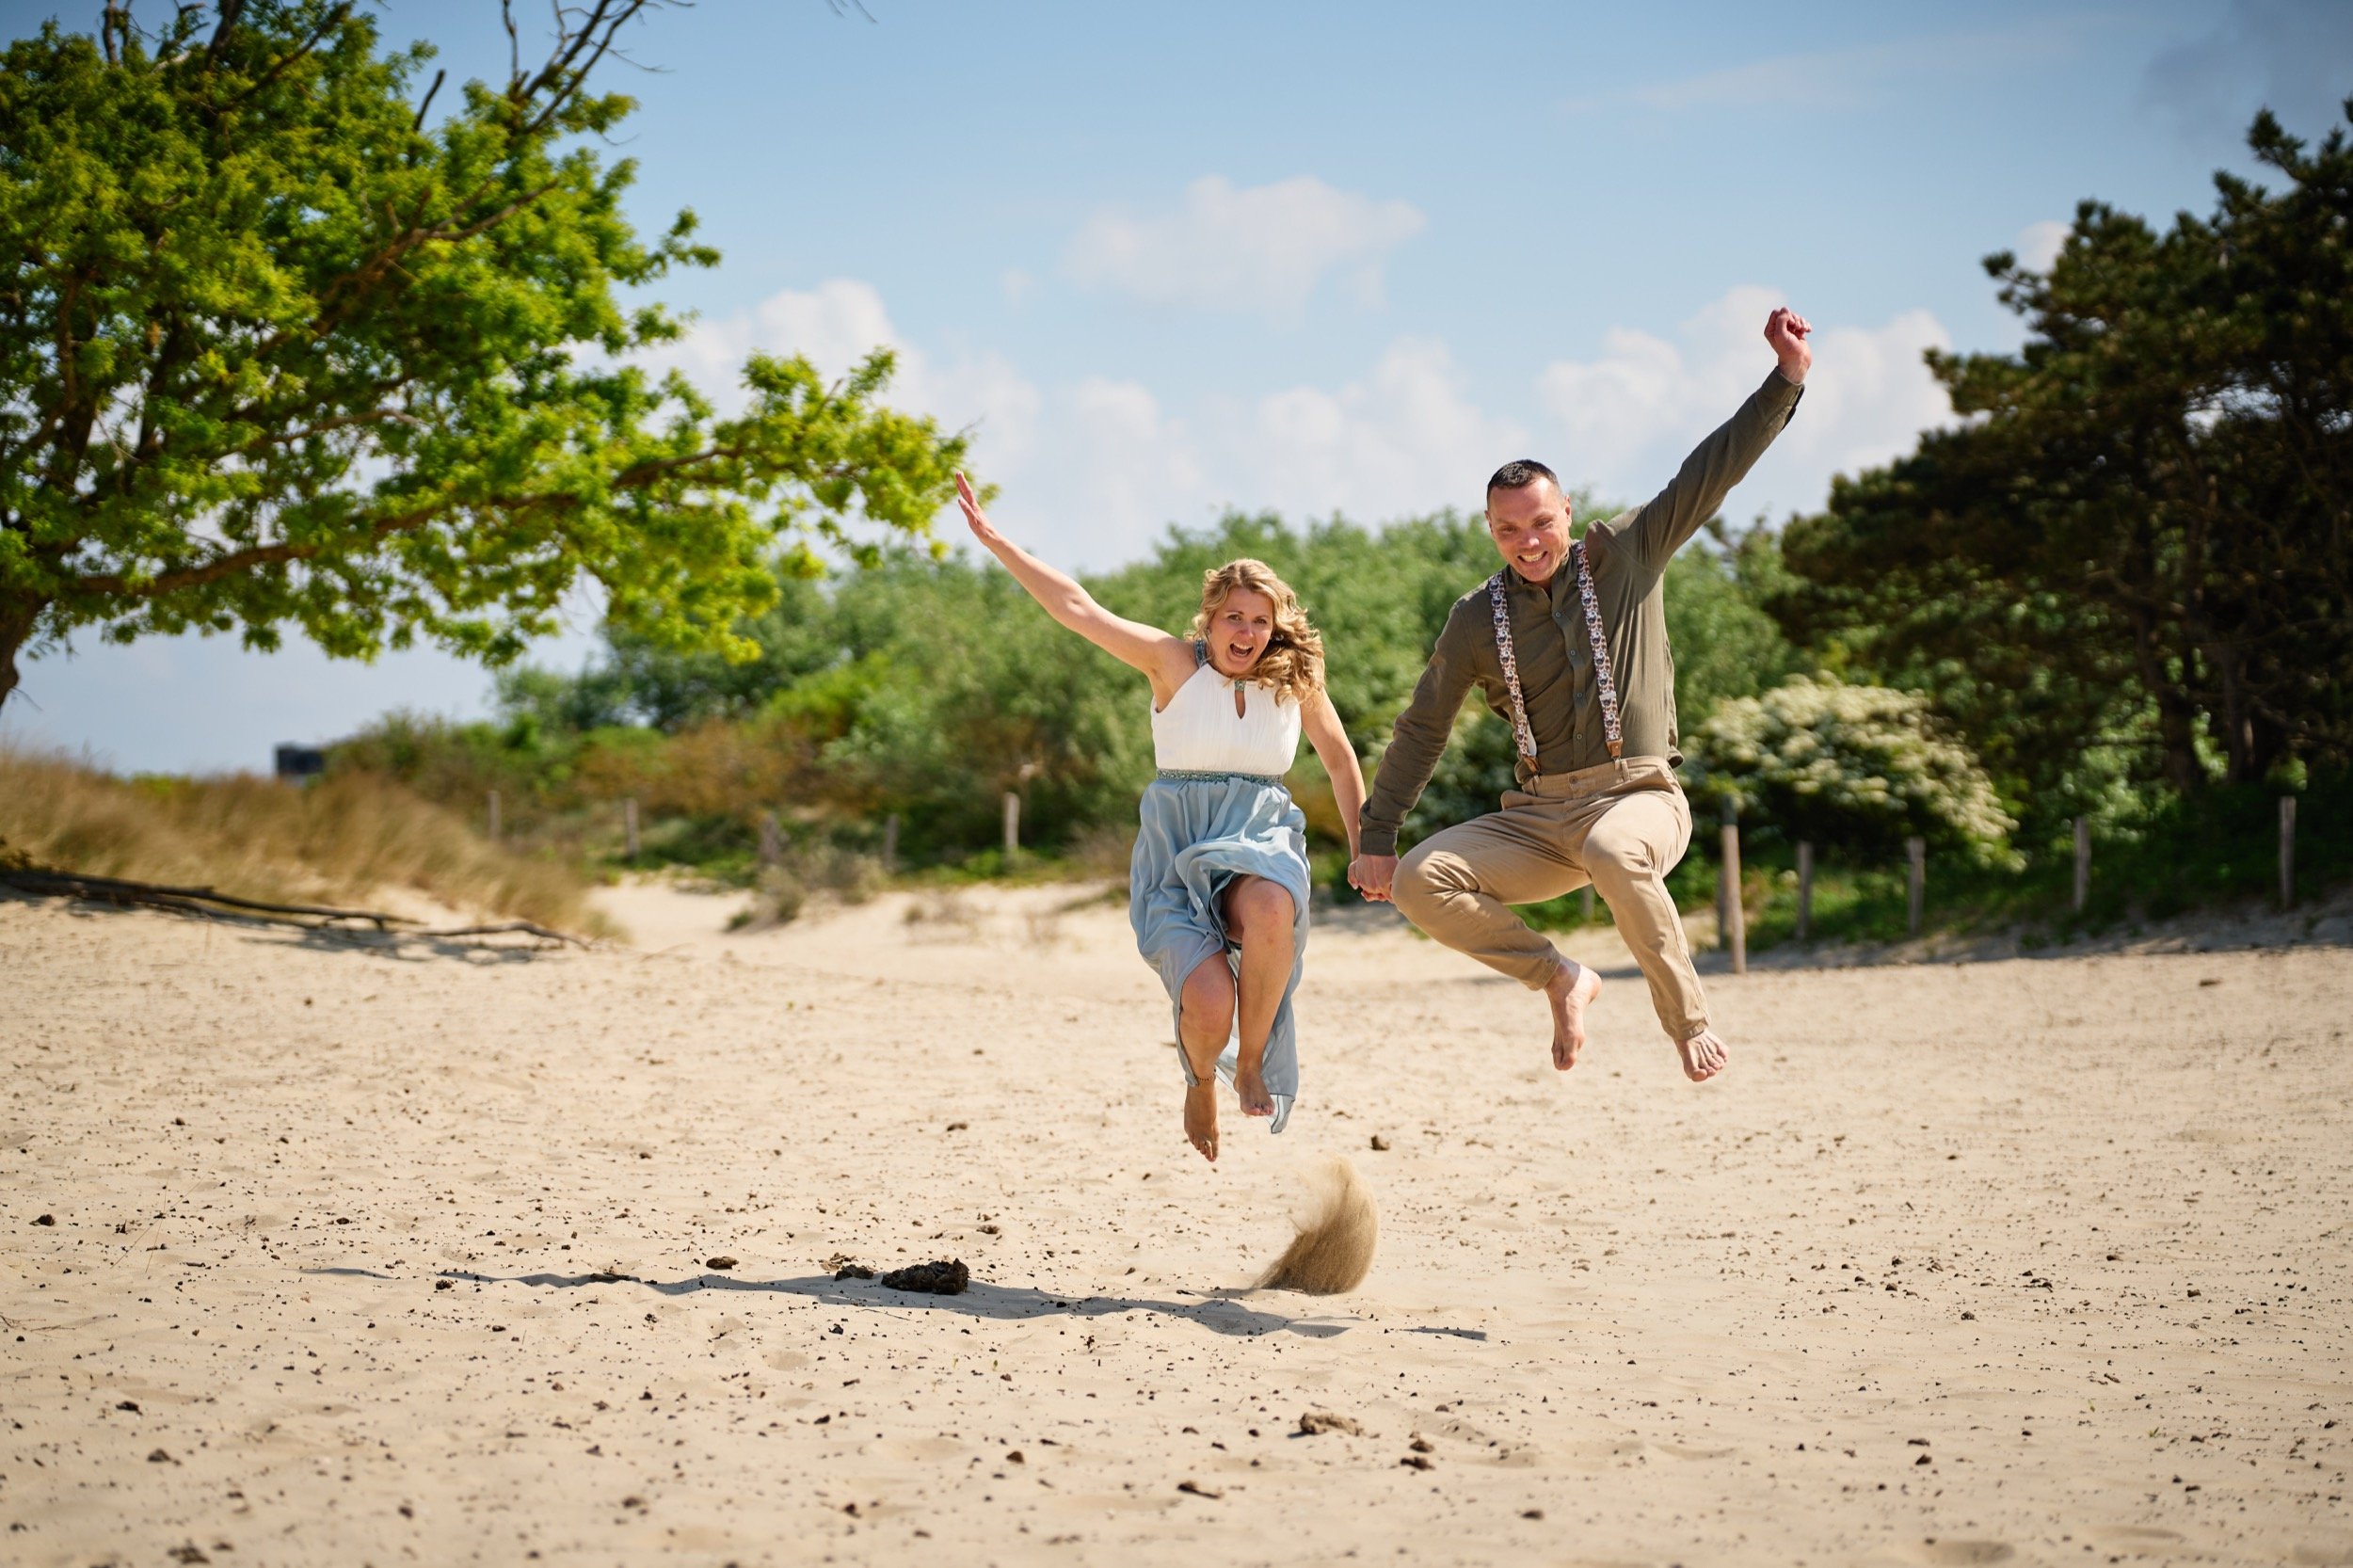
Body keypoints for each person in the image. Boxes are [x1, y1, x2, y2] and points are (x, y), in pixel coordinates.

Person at [1347, 307, 1813, 1083]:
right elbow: (1422, 727)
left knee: (1612, 849)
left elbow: (1713, 468)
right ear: (1491, 530)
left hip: (1640, 798)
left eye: (1539, 522)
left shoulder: (1628, 555)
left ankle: (1688, 1020)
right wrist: (1377, 836)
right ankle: (1560, 977)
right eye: (1507, 530)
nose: (1527, 542)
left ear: (1566, 511)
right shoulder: (1475, 617)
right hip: (1538, 820)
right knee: (1424, 880)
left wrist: (1786, 379)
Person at [953, 473, 1368, 1163]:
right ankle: (1201, 1079)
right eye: (1234, 617)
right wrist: (1000, 544)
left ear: (1275, 627)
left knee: (1270, 909)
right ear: (1209, 619)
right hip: (1180, 849)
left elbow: (1342, 762)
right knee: (1208, 1000)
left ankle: (1253, 1060)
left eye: (1260, 621)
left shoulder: (1296, 681)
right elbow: (1079, 608)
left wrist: (1365, 847)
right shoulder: (1173, 665)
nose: (1247, 631)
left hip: (1259, 837)